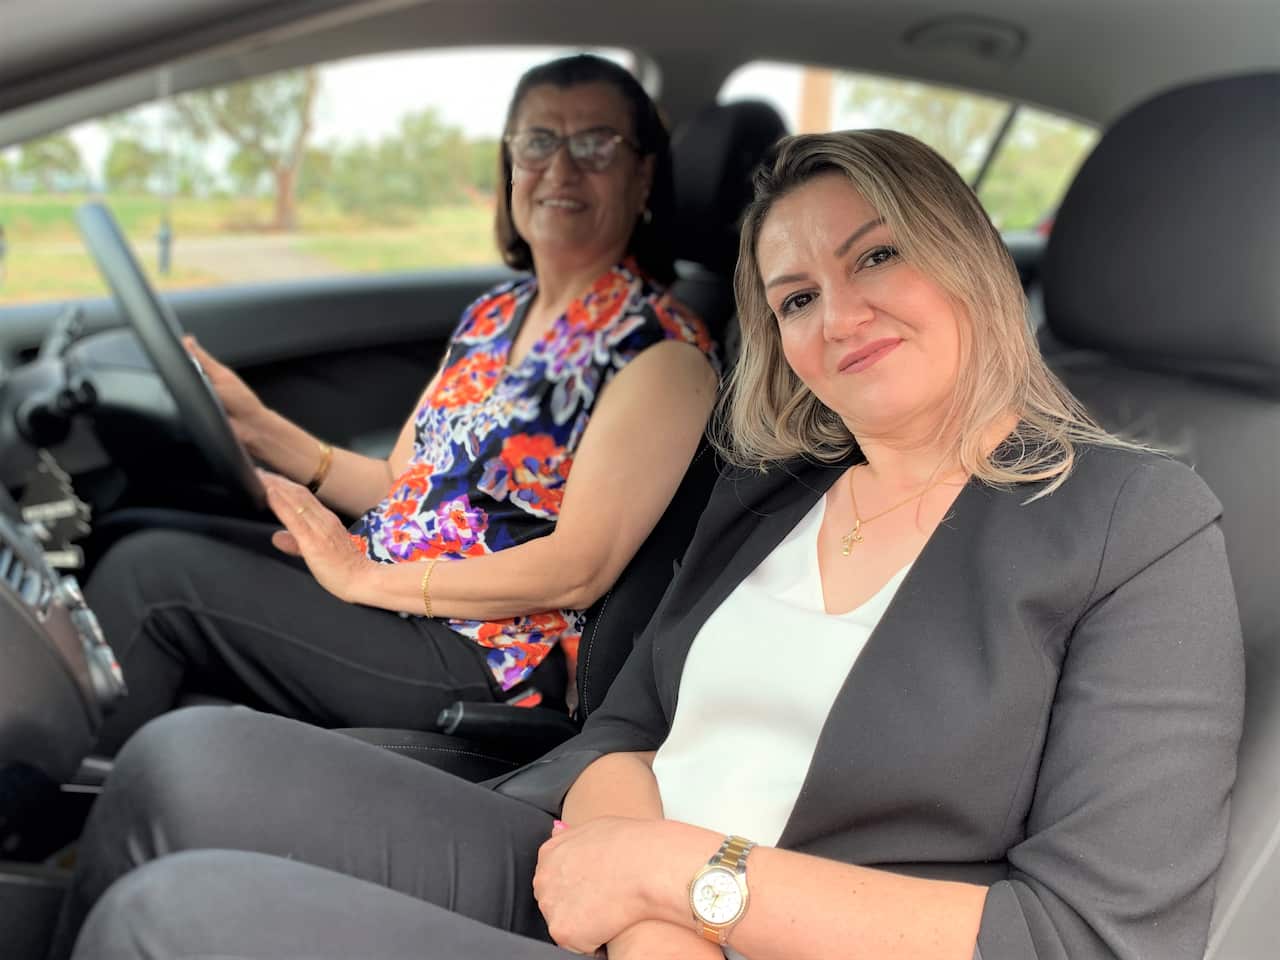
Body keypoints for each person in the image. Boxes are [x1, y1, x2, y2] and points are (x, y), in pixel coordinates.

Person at [53, 130, 1243, 960]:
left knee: (177, 923)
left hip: (771, 935)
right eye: (792, 298)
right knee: (181, 761)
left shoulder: (1132, 524)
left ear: (972, 257)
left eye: (876, 255)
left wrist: (685, 891)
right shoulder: (777, 487)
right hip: (598, 873)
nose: (838, 316)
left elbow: (1090, 938)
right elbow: (626, 724)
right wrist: (639, 892)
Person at [82, 53, 719, 756]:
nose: (560, 168)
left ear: (643, 175)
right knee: (130, 528)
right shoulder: (495, 313)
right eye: (538, 141)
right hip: (390, 593)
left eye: (595, 143)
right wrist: (257, 427)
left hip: (480, 655)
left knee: (152, 580)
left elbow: (579, 567)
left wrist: (365, 577)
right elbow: (396, 483)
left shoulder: (663, 353)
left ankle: (35, 823)